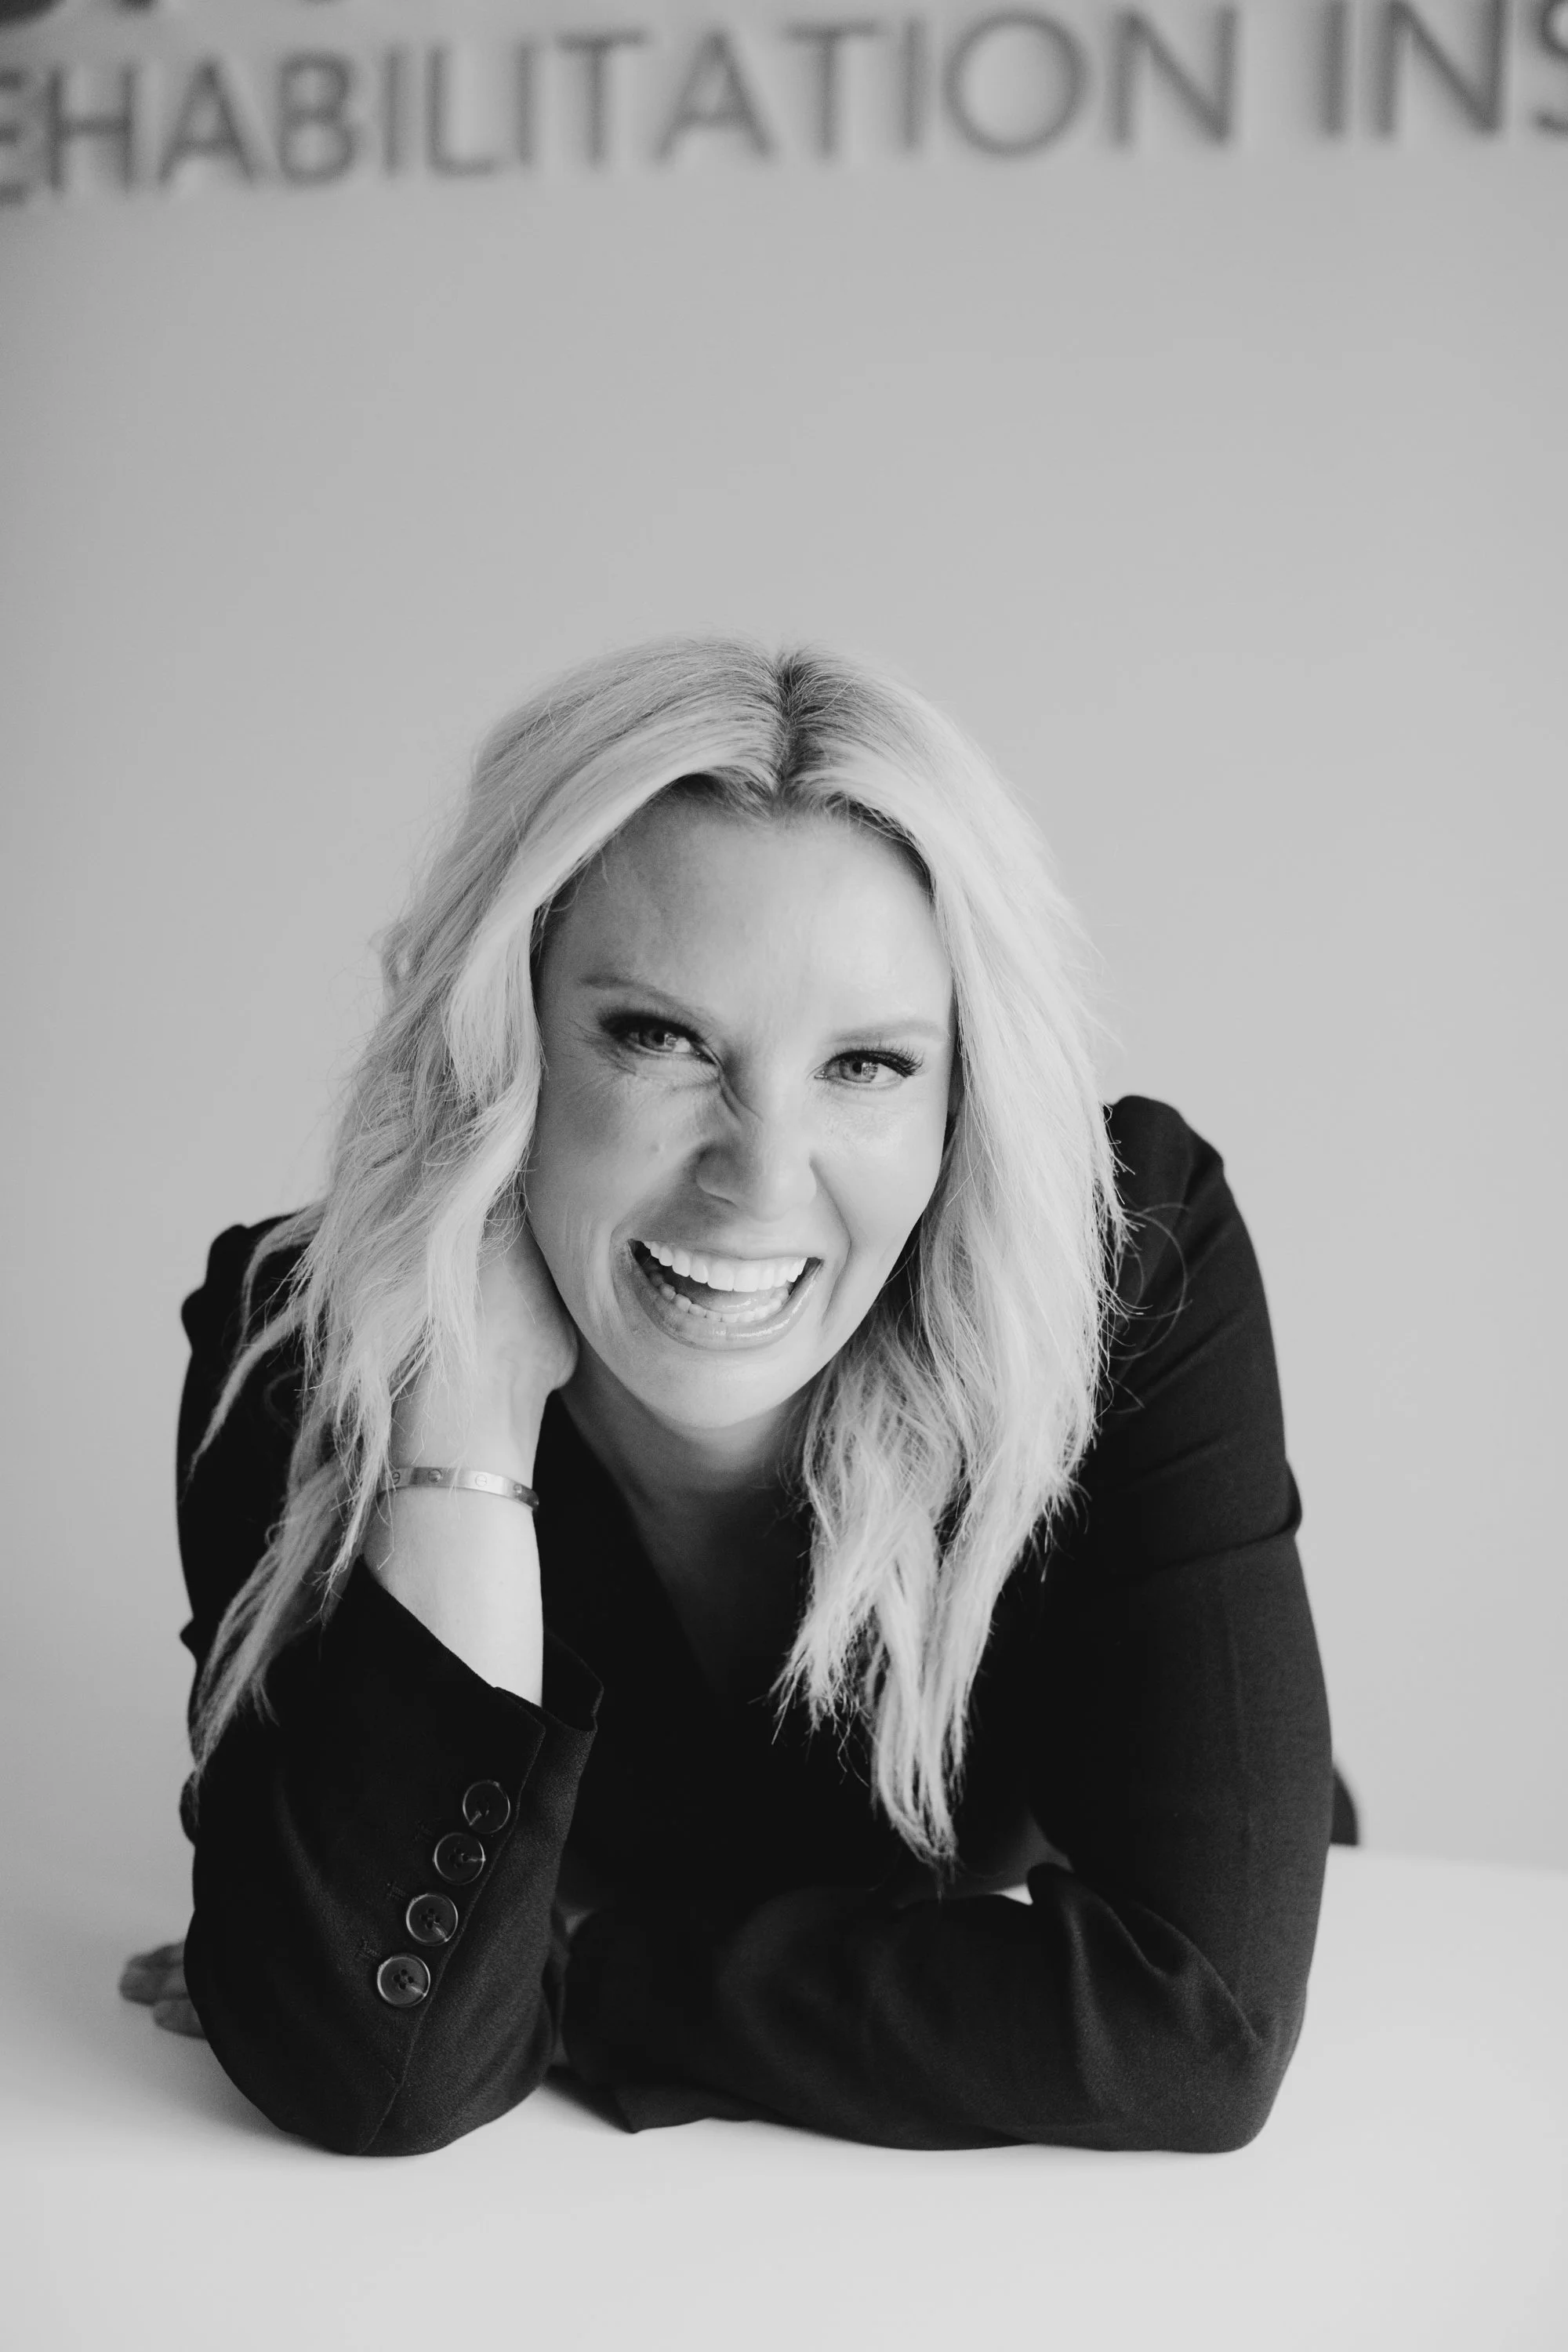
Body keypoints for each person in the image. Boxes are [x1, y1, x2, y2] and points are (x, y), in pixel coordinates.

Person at [122, 637, 1338, 2155]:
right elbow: (376, 2072)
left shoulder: (1120, 1267)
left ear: (965, 1095)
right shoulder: (307, 1344)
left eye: (868, 1066)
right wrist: (469, 1428)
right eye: (657, 1037)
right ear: (496, 1039)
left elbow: (1191, 2030)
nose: (759, 1180)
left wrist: (562, 1978)